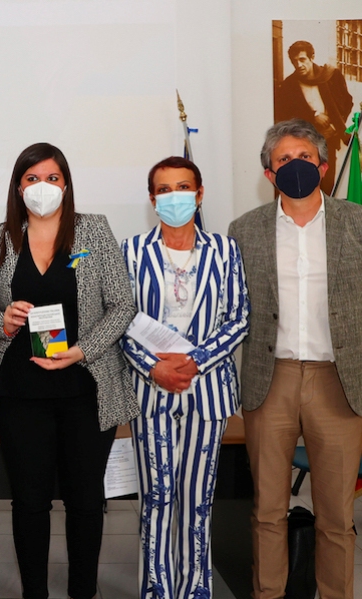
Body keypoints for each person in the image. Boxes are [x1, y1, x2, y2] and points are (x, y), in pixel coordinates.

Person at [0, 142, 138, 599]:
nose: (41, 186)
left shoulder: (93, 231)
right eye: (31, 178)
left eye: (51, 178)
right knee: (30, 503)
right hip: (21, 394)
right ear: (18, 187)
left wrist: (83, 350)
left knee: (85, 502)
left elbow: (122, 305)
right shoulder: (0, 238)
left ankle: (83, 591)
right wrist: (3, 321)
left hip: (85, 389)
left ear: (65, 185)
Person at [229, 119, 362, 599]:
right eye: (283, 159)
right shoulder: (244, 230)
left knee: (336, 516)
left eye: (304, 157)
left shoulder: (357, 222)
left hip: (338, 381)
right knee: (268, 511)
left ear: (323, 166)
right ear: (269, 173)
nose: (295, 165)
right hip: (271, 379)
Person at [121, 156, 250, 599]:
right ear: (152, 198)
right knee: (156, 500)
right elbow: (118, 320)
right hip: (150, 392)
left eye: (183, 187)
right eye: (164, 189)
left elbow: (239, 317)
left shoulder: (225, 250)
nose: (174, 196)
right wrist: (154, 367)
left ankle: (196, 590)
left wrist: (196, 361)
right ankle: (155, 591)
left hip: (207, 392)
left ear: (199, 194)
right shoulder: (131, 251)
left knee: (198, 503)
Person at [274, 40, 353, 195]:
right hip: (304, 140)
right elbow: (284, 114)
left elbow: (347, 102)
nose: (299, 65)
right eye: (294, 61)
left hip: (328, 137)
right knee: (307, 182)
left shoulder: (331, 76)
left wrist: (334, 123)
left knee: (328, 180)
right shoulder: (289, 84)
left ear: (312, 57)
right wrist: (313, 116)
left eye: (302, 59)